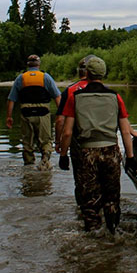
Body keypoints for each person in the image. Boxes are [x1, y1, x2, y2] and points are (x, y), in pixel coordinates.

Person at [57, 55, 137, 233]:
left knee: (90, 202)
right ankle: (114, 232)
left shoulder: (75, 97)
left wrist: (63, 155)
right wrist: (130, 157)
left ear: (86, 73)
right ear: (104, 74)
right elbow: (125, 131)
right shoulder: (115, 97)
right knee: (112, 198)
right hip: (110, 152)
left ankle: (93, 237)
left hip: (86, 154)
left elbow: (68, 131)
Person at [6, 54, 62, 170]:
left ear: (28, 65)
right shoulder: (45, 77)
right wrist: (61, 114)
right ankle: (45, 161)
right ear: (38, 64)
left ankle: (28, 166)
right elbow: (57, 97)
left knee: (27, 143)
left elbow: (11, 99)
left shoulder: (20, 78)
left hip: (26, 114)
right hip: (43, 114)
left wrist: (9, 116)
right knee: (46, 141)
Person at [55, 54, 95, 205]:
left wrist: (59, 144)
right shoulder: (107, 91)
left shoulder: (70, 91)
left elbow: (60, 121)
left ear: (79, 71)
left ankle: (84, 212)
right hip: (104, 143)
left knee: (82, 182)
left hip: (79, 144)